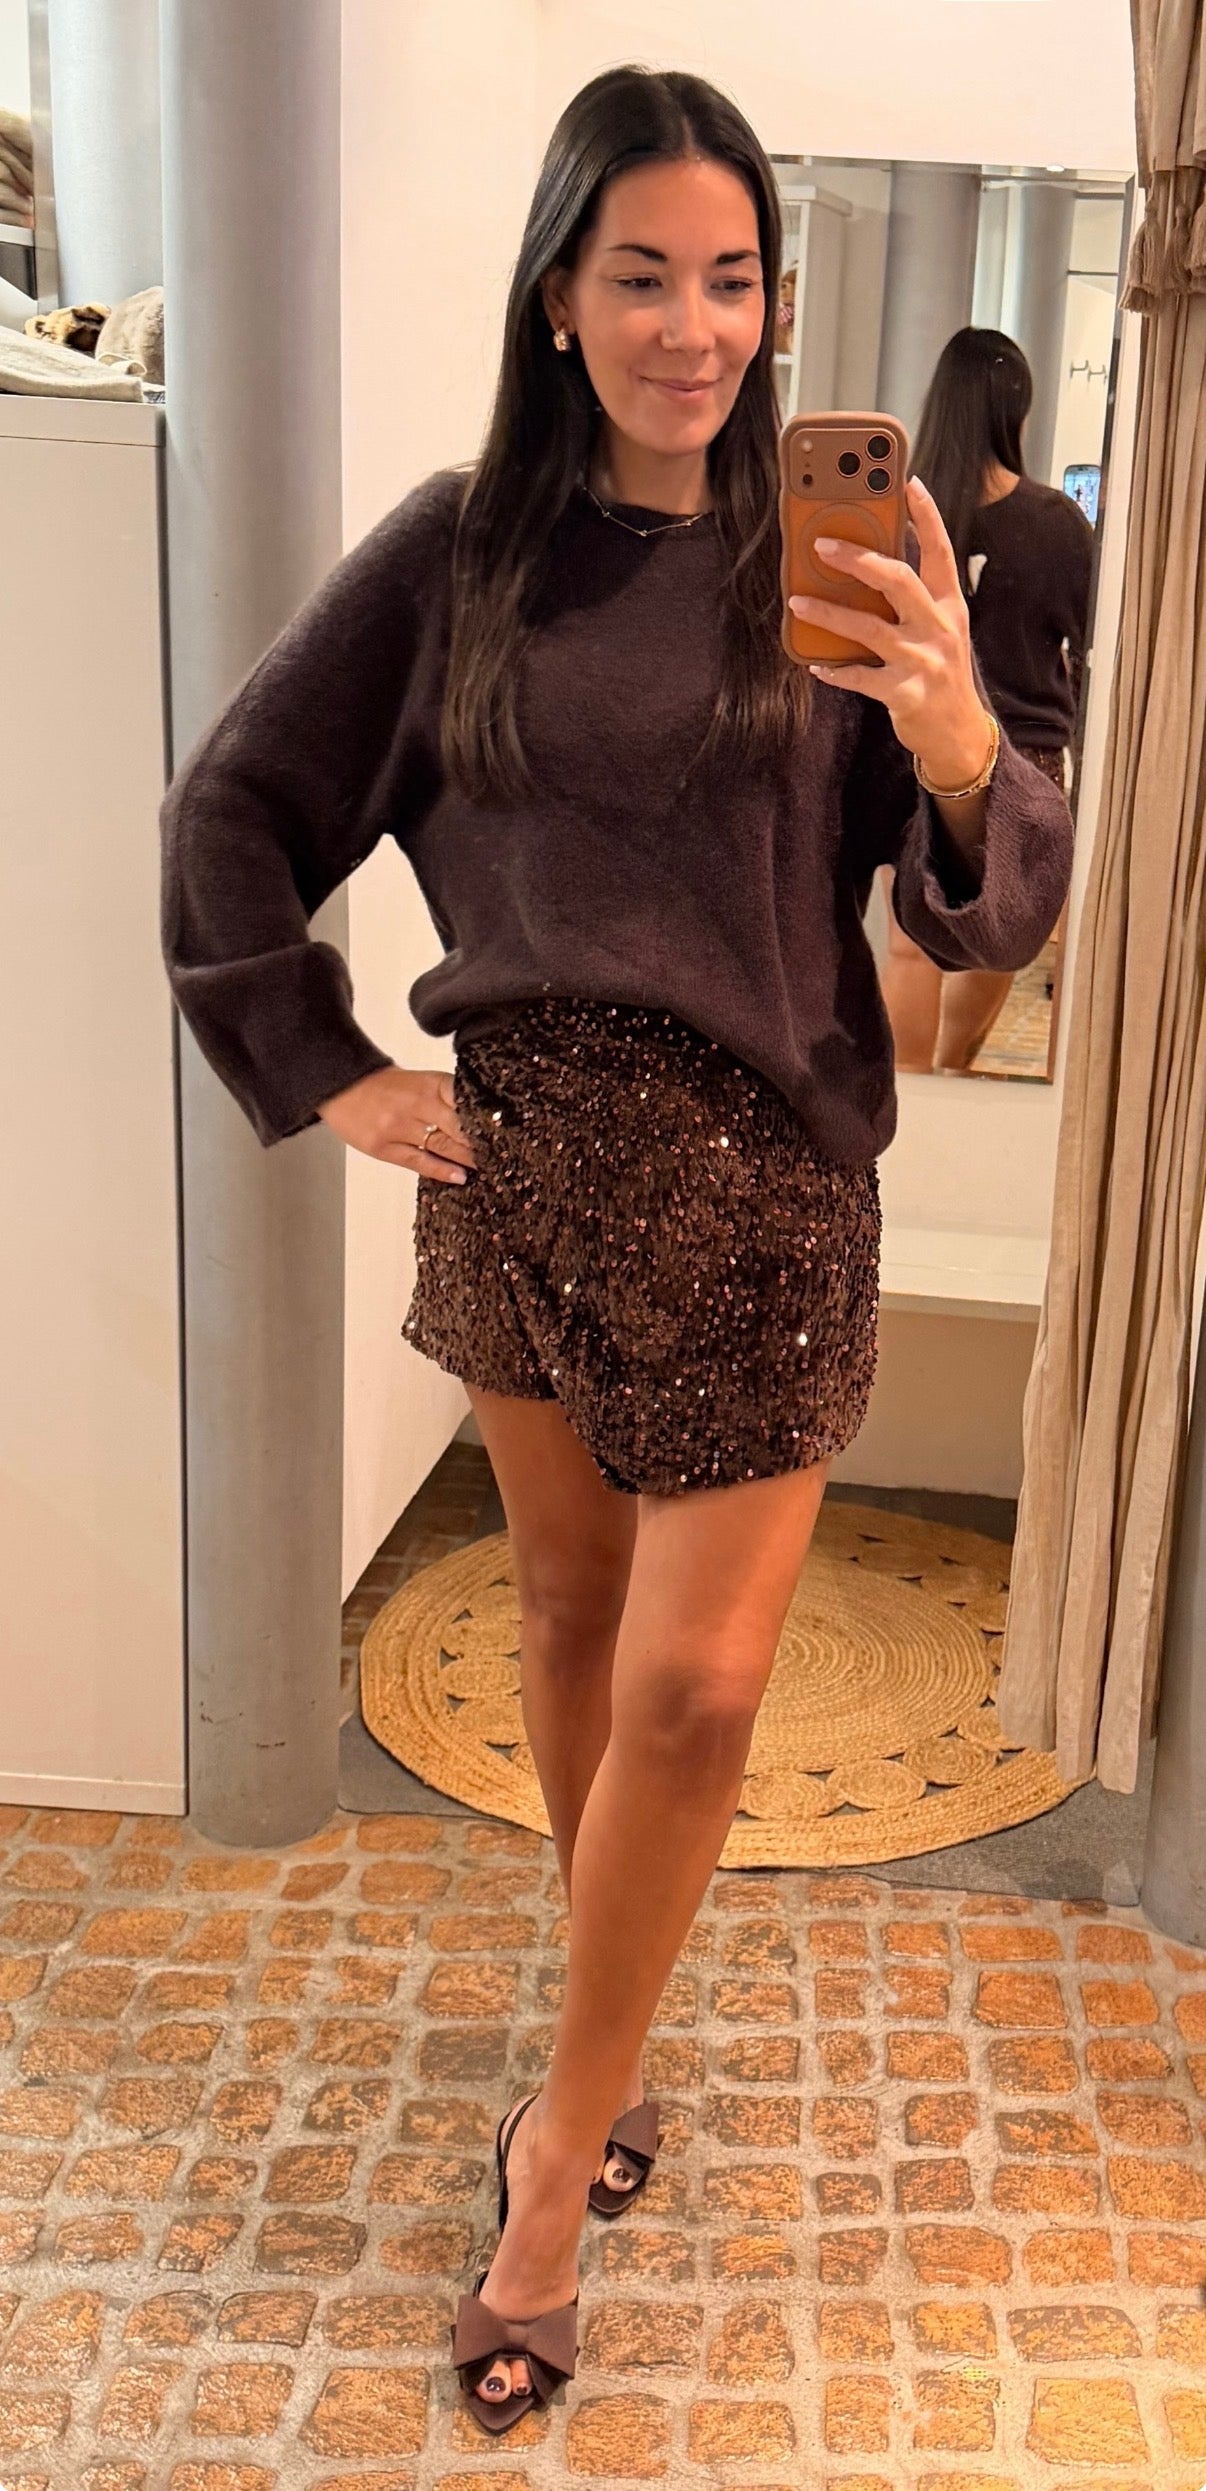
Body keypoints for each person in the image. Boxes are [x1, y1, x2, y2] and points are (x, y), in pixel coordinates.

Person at [160, 68, 1074, 2436]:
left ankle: (554, 2154)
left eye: (733, 278)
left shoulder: (845, 559)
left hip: (768, 1188)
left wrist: (953, 725)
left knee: (693, 1694)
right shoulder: (457, 553)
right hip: (524, 1179)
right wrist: (327, 1068)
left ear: (779, 301)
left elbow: (988, 899)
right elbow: (236, 808)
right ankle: (615, 2031)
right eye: (642, 273)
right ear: (559, 296)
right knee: (568, 1625)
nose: (693, 326)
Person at [879, 325, 1094, 1074]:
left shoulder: (900, 516)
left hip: (910, 741)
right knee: (1007, 935)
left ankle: (916, 1100)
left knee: (909, 948)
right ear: (1016, 411)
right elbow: (1092, 645)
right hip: (1023, 755)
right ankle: (953, 1068)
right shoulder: (1056, 523)